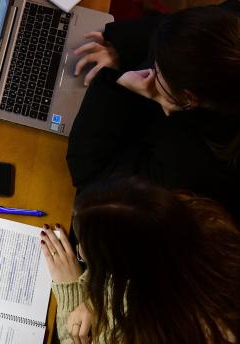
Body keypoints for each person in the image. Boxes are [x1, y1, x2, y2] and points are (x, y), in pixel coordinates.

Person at [38, 178, 240, 344]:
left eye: (86, 254)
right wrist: (97, 299)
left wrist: (72, 294)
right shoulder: (200, 221)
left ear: (122, 271)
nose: (78, 252)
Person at [66, 1, 240, 219]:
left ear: (189, 99)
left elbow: (91, 177)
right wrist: (120, 48)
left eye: (156, 69)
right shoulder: (230, 28)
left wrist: (116, 82)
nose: (149, 67)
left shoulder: (194, 166)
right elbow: (175, 30)